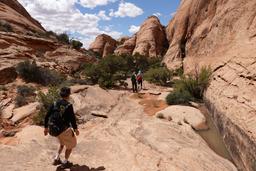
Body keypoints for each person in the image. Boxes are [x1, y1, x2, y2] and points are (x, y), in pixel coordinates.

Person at [44, 87, 79, 169]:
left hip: (54, 129)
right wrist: (75, 129)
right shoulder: (69, 105)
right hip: (64, 130)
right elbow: (72, 119)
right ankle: (65, 162)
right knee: (70, 146)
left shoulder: (55, 103)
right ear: (69, 95)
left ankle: (56, 159)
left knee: (62, 143)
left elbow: (47, 116)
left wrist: (45, 128)